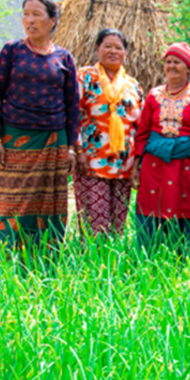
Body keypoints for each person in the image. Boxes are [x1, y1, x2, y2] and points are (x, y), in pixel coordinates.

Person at [0, 0, 80, 254]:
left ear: (52, 21)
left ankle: (46, 260)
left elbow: (73, 106)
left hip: (53, 142)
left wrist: (72, 148)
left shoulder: (64, 59)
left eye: (36, 14)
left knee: (49, 203)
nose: (29, 20)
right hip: (16, 141)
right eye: (26, 13)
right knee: (12, 201)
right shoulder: (11, 51)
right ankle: (8, 259)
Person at [131, 42, 190, 248]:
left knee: (183, 209)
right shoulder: (154, 95)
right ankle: (148, 257)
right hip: (154, 166)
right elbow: (143, 132)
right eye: (168, 62)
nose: (171, 66)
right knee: (151, 208)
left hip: (184, 167)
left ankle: (179, 258)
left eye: (177, 62)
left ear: (188, 68)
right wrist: (135, 165)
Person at [75, 28, 143, 236]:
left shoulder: (133, 85)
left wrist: (137, 164)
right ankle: (92, 266)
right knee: (94, 225)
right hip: (92, 161)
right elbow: (73, 114)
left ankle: (114, 268)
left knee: (117, 228)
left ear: (125, 53)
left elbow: (139, 126)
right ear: (97, 49)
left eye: (118, 47)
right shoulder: (84, 77)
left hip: (123, 165)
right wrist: (79, 151)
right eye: (107, 46)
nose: (113, 51)